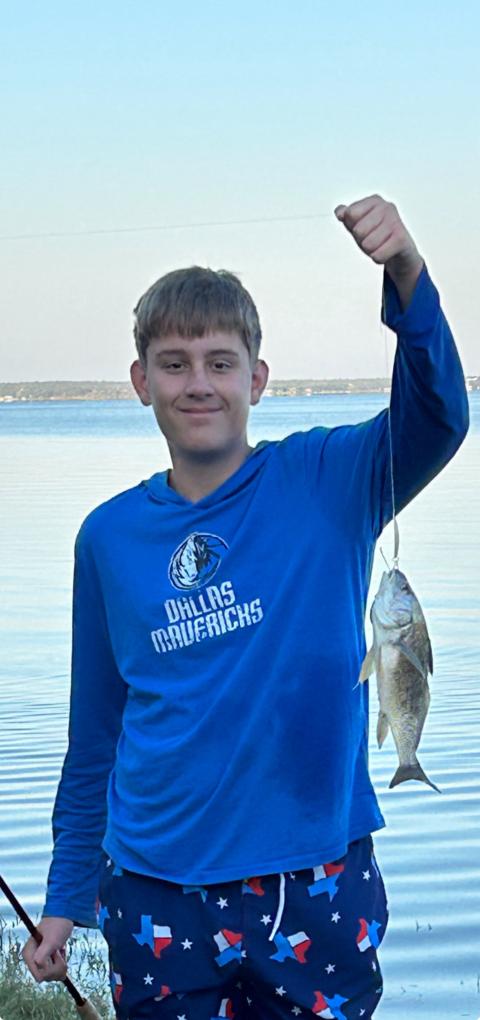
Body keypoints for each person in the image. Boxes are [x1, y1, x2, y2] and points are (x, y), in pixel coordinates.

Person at [23, 195, 469, 1019]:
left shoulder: (333, 478)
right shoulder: (107, 538)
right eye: (175, 363)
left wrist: (407, 274)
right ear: (141, 382)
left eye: (221, 363)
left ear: (257, 379)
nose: (199, 383)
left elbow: (440, 414)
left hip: (314, 875)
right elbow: (96, 733)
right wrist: (65, 893)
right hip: (154, 885)